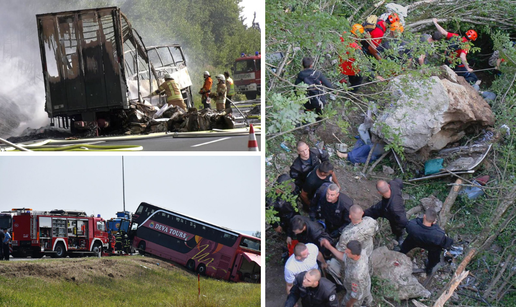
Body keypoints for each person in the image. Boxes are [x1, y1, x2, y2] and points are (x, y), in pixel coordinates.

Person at [401, 208, 454, 275]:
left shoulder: (412, 225)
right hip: (431, 246)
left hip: (414, 240)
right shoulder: (439, 234)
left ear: (424, 216)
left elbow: (409, 226)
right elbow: (447, 243)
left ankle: (401, 253)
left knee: (405, 246)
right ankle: (429, 269)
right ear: (434, 221)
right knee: (434, 256)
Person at [323, 240, 373, 307]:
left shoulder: (357, 275)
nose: (345, 252)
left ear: (355, 255)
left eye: (348, 252)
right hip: (362, 284)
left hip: (356, 293)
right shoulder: (361, 252)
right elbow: (343, 257)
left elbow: (357, 295)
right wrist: (329, 247)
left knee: (345, 304)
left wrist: (350, 303)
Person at [433, 18, 478, 84]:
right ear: (471, 40)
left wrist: (435, 22)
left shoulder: (455, 36)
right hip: (455, 65)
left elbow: (442, 32)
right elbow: (462, 57)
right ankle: (459, 83)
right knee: (474, 78)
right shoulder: (466, 45)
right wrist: (468, 68)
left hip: (446, 60)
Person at [364, 178, 408, 247]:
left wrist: (404, 226)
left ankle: (400, 236)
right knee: (373, 210)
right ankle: (363, 216)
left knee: (396, 227)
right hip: (384, 205)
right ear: (389, 185)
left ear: (379, 192)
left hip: (392, 214)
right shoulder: (394, 184)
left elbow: (402, 220)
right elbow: (399, 181)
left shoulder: (395, 208)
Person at [339, 24, 364, 91]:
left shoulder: (343, 36)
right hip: (351, 68)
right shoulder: (355, 47)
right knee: (359, 79)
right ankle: (353, 91)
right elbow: (359, 61)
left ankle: (351, 84)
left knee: (351, 77)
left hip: (343, 64)